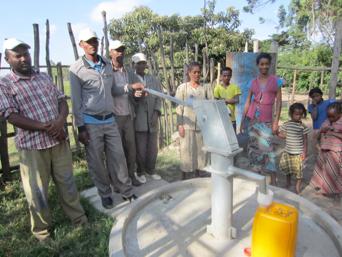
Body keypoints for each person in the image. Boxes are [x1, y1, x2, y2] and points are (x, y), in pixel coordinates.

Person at [0, 38, 87, 241]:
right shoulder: (5, 84)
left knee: (67, 183)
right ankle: (42, 231)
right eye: (17, 55)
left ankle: (79, 219)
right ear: (7, 59)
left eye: (26, 54)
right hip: (33, 148)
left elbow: (61, 101)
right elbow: (10, 115)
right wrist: (47, 127)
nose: (23, 58)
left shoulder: (44, 77)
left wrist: (59, 121)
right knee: (37, 191)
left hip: (58, 142)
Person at [69, 29, 140, 208]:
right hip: (91, 122)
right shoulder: (76, 69)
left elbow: (113, 90)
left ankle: (126, 191)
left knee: (119, 157)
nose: (92, 44)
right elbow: (76, 101)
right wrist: (81, 127)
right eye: (88, 42)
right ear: (81, 45)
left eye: (95, 41)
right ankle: (105, 194)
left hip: (110, 120)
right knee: (97, 162)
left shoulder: (107, 65)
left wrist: (128, 87)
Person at [241, 53, 284, 185]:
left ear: (270, 65)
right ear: (258, 65)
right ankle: (256, 178)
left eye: (266, 64)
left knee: (268, 148)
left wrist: (276, 122)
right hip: (253, 119)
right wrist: (243, 120)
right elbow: (248, 102)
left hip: (266, 121)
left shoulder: (276, 81)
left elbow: (279, 102)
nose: (264, 66)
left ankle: (272, 180)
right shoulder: (252, 82)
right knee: (253, 147)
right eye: (262, 64)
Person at [109, 40, 145, 186]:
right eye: (117, 50)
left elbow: (136, 92)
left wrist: (137, 95)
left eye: (122, 50)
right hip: (114, 117)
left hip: (129, 115)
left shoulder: (129, 72)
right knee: (116, 151)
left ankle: (131, 176)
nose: (120, 53)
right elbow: (112, 91)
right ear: (110, 52)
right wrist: (130, 87)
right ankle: (116, 181)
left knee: (131, 149)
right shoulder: (107, 71)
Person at [175, 62, 213, 180]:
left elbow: (211, 105)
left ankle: (198, 173)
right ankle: (184, 175)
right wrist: (180, 125)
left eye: (198, 72)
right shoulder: (183, 88)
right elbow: (178, 107)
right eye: (194, 72)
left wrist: (209, 124)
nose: (197, 74)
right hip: (187, 125)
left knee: (200, 151)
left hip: (201, 125)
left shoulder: (205, 89)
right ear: (189, 73)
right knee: (186, 151)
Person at [132, 53, 162, 182]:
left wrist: (156, 112)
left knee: (152, 147)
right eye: (139, 63)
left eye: (143, 63)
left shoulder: (153, 79)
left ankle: (151, 170)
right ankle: (140, 171)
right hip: (138, 119)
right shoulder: (130, 80)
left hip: (152, 118)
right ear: (133, 64)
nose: (142, 65)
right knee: (140, 148)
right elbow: (128, 99)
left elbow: (159, 97)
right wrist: (135, 97)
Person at [310, 102, 342, 201]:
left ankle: (331, 190)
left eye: (333, 116)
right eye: (329, 116)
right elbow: (318, 133)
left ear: (340, 114)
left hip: (335, 151)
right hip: (324, 148)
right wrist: (321, 131)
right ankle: (322, 186)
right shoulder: (327, 121)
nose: (330, 118)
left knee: (332, 171)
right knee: (322, 169)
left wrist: (333, 131)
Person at [277, 103, 309, 194]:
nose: (299, 116)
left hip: (298, 154)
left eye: (301, 115)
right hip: (288, 152)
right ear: (291, 114)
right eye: (296, 114)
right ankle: (288, 183)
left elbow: (305, 140)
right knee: (288, 170)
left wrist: (304, 152)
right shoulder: (286, 124)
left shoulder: (303, 126)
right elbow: (283, 136)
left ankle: (297, 187)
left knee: (299, 173)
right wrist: (276, 133)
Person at [213, 67, 241, 132]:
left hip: (232, 119)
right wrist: (229, 100)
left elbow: (237, 100)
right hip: (221, 119)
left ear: (231, 76)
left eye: (228, 76)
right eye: (224, 76)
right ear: (221, 76)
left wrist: (225, 100)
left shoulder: (235, 87)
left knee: (233, 139)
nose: (226, 78)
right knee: (222, 139)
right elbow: (215, 102)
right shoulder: (217, 88)